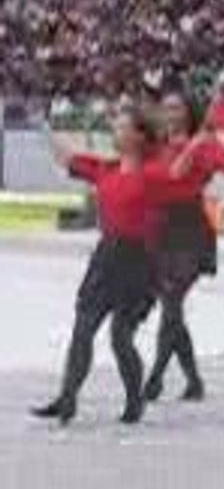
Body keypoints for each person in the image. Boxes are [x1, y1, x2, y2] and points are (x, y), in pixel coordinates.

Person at [31, 108, 159, 425]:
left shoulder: (155, 174)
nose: (115, 132)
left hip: (140, 260)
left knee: (120, 336)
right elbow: (68, 159)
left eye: (122, 127)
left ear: (139, 136)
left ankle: (134, 401)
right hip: (107, 256)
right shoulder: (106, 169)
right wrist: (41, 128)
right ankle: (67, 398)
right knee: (83, 328)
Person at [143, 91, 224, 403]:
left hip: (190, 229)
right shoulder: (156, 145)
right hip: (159, 228)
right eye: (166, 108)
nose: (170, 113)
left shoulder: (206, 144)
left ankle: (155, 377)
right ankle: (194, 381)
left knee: (172, 302)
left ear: (188, 113)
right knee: (172, 308)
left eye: (176, 108)